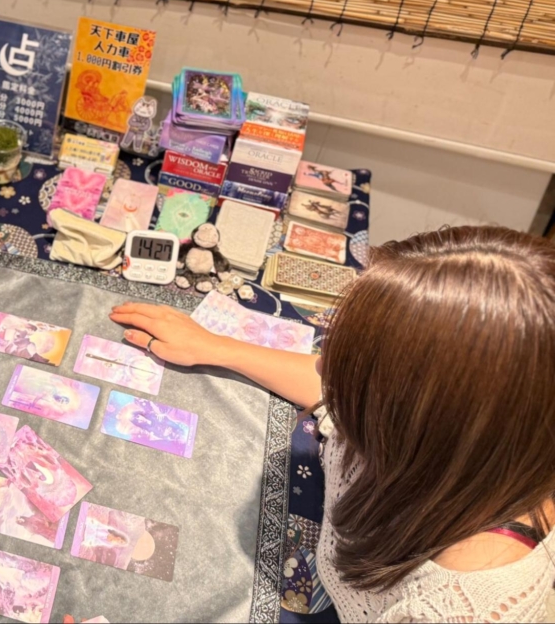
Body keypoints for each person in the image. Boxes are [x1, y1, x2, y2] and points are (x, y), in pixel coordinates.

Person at [111, 226, 555, 622]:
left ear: (420, 425)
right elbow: (330, 386)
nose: (322, 367)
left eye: (356, 374)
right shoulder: (475, 447)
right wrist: (216, 347)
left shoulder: (460, 608)